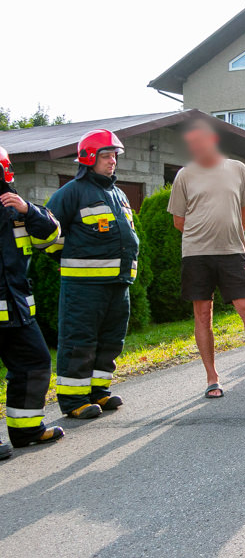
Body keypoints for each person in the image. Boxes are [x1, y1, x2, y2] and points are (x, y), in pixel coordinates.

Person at [168, 120, 245, 398]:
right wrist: (205, 235)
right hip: (196, 254)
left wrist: (229, 234)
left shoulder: (238, 169)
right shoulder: (185, 175)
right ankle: (212, 378)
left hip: (232, 252)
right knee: (202, 314)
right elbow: (179, 221)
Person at [46, 130, 139, 419]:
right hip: (84, 287)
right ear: (89, 158)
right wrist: (76, 259)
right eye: (106, 156)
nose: (112, 161)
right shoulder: (70, 193)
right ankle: (74, 401)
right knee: (80, 340)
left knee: (111, 340)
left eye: (114, 156)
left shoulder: (118, 193)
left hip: (118, 284)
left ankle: (98, 391)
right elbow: (48, 239)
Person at [0, 146, 64, 458]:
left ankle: (26, 430)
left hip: (16, 310)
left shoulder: (16, 209)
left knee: (36, 362)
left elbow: (50, 236)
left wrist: (29, 209)